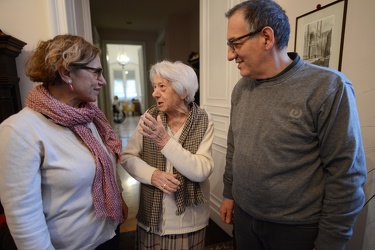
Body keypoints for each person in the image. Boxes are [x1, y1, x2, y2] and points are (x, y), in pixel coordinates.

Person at [219, 1, 367, 250]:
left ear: (266, 37)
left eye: (236, 43)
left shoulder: (329, 87)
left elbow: (346, 174)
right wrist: (229, 193)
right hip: (244, 218)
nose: (230, 54)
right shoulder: (241, 88)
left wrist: (331, 241)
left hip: (295, 229)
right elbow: (235, 146)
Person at [0, 34, 128, 249]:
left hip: (108, 234)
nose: (103, 81)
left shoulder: (90, 118)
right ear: (67, 72)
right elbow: (24, 217)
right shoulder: (20, 130)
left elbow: (106, 168)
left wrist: (120, 198)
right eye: (96, 71)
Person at [121, 60, 214, 249]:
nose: (155, 93)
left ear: (183, 91)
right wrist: (153, 175)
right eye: (155, 86)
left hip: (189, 220)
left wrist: (164, 141)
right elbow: (127, 156)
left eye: (162, 87)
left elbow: (202, 170)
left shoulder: (204, 120)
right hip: (152, 219)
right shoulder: (149, 117)